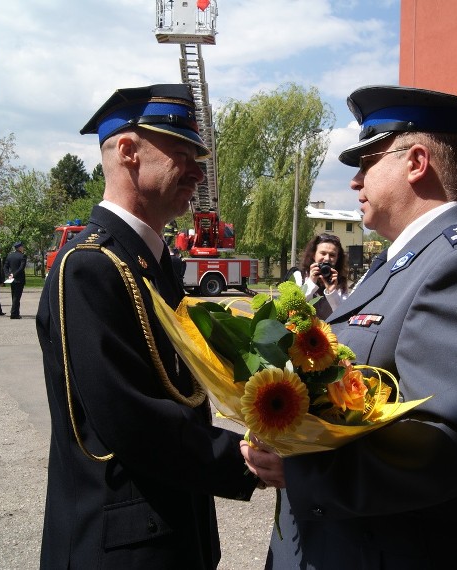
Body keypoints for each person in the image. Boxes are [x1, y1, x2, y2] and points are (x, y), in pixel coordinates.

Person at [243, 86, 457, 569]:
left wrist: (302, 470)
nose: (356, 182)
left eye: (366, 162)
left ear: (416, 162)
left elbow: (451, 440)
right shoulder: (401, 261)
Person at [36, 84, 283, 569]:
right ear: (128, 152)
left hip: (169, 528)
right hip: (121, 544)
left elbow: (183, 390)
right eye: (181, 151)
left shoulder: (151, 260)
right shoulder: (90, 266)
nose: (197, 169)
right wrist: (248, 459)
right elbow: (130, 419)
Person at [290, 233, 350, 319]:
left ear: (337, 258)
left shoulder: (340, 281)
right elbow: (294, 307)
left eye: (332, 255)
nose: (327, 259)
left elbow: (343, 315)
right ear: (314, 255)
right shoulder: (300, 275)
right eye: (323, 253)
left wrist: (332, 291)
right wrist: (311, 282)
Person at [3, 241, 27, 319]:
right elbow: (21, 268)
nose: (23, 248)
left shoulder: (10, 256)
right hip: (19, 279)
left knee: (14, 296)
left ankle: (15, 312)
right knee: (17, 297)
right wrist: (14, 274)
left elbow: (5, 267)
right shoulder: (22, 256)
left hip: (12, 279)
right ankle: (14, 314)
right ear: (19, 247)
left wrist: (8, 274)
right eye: (22, 247)